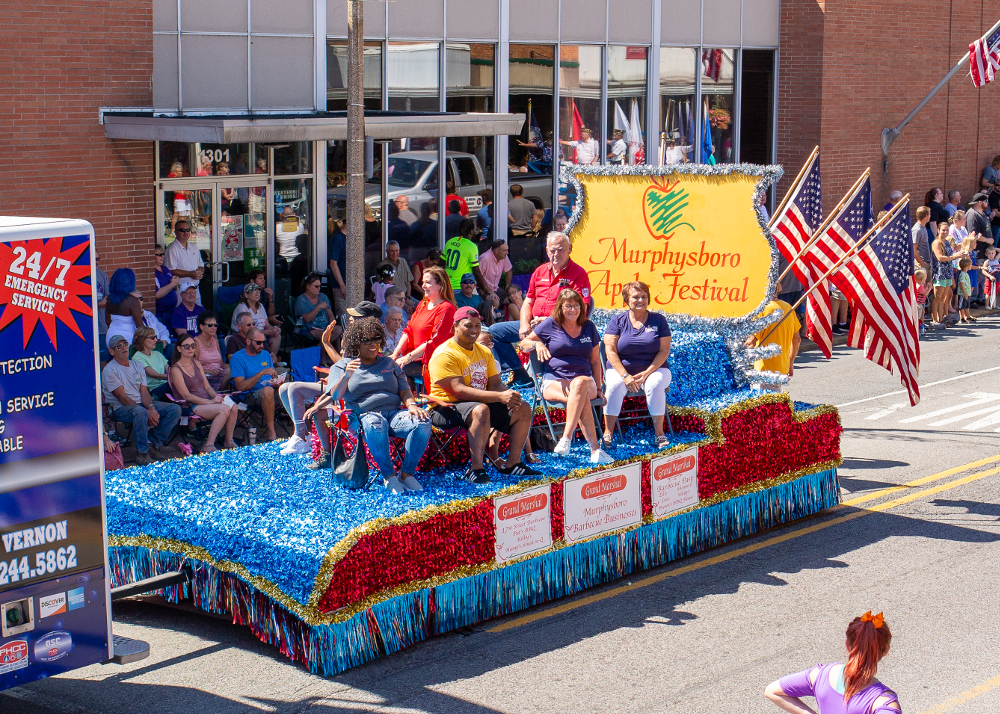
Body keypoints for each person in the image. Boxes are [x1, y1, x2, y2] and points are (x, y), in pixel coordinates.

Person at [309, 318, 433, 492]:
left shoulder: (389, 363)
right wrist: (346, 375)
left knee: (422, 421)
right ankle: (389, 476)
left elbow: (404, 390)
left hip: (394, 414)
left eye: (376, 339)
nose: (373, 344)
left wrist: (411, 405)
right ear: (355, 343)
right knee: (374, 423)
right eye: (367, 340)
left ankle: (406, 474)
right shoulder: (343, 365)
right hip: (362, 417)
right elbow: (336, 395)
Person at [427, 307, 541, 482]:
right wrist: (498, 397)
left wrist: (509, 394)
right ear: (455, 326)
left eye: (477, 325)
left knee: (523, 407)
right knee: (480, 410)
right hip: (445, 407)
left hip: (479, 402)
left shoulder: (484, 351)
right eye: (468, 325)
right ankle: (476, 469)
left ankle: (513, 464)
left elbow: (495, 385)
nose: (474, 330)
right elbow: (458, 391)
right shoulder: (445, 354)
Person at [520, 290, 613, 464]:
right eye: (568, 306)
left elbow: (595, 362)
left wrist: (599, 389)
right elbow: (523, 344)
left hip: (586, 380)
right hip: (554, 380)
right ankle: (595, 450)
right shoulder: (550, 324)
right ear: (560, 307)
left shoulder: (589, 327)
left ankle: (566, 438)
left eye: (576, 305)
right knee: (579, 396)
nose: (573, 309)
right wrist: (537, 343)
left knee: (579, 385)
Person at [490, 232, 592, 386]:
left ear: (570, 249)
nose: (556, 254)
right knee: (495, 332)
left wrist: (548, 321)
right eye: (552, 250)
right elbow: (529, 301)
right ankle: (521, 375)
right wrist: (524, 324)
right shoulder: (540, 271)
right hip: (533, 324)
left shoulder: (579, 274)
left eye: (560, 249)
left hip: (559, 327)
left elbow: (581, 310)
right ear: (546, 251)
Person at [764, 612, 899, 714]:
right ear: (886, 651)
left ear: (847, 646)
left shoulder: (821, 675)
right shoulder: (883, 702)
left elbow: (772, 691)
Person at [601, 282, 673, 450]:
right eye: (635, 297)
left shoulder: (659, 320)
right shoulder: (617, 321)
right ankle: (608, 432)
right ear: (626, 299)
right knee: (613, 385)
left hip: (655, 368)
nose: (641, 300)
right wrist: (625, 375)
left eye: (644, 297)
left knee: (655, 384)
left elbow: (664, 351)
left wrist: (647, 373)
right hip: (620, 368)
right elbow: (610, 350)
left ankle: (659, 433)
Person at [102, 334, 181, 466]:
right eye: (118, 346)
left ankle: (153, 445)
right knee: (140, 412)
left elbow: (144, 391)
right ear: (111, 351)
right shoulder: (109, 369)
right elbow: (122, 397)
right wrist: (146, 410)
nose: (123, 347)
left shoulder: (137, 365)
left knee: (174, 409)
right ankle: (142, 453)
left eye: (125, 344)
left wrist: (151, 408)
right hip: (119, 408)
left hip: (140, 405)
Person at [169, 334, 240, 453]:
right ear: (179, 348)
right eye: (186, 346)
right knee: (223, 410)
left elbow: (207, 386)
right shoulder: (176, 369)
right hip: (190, 405)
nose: (190, 349)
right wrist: (210, 401)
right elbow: (186, 396)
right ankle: (208, 445)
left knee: (233, 406)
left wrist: (215, 396)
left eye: (193, 345)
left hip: (205, 401)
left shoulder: (196, 363)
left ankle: (228, 440)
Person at [390, 266, 457, 387]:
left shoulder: (446, 308)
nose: (423, 286)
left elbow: (434, 341)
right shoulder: (423, 304)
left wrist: (408, 358)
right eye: (423, 282)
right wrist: (396, 352)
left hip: (434, 363)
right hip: (417, 360)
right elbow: (408, 330)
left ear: (440, 285)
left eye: (427, 282)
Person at [229, 327, 280, 442]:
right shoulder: (237, 358)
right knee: (268, 391)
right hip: (249, 394)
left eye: (263, 342)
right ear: (248, 341)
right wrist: (261, 373)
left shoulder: (266, 354)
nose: (262, 345)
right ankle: (271, 431)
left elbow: (272, 376)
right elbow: (241, 386)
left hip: (270, 389)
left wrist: (277, 381)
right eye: (258, 342)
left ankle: (301, 431)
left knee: (291, 388)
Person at [748, 282, 801, 388]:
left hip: (764, 368)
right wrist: (791, 362)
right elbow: (797, 339)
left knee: (762, 403)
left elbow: (751, 343)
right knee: (774, 402)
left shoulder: (761, 310)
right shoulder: (788, 308)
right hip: (782, 366)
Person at [444, 218, 493, 299]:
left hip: (447, 285)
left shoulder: (450, 242)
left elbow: (441, 264)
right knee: (477, 306)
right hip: (461, 286)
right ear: (471, 231)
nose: (476, 232)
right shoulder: (471, 246)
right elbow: (476, 271)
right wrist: (486, 289)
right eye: (475, 230)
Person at [231, 283, 280, 360]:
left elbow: (266, 324)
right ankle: (260, 360)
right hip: (245, 335)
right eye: (254, 292)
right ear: (246, 295)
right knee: (257, 339)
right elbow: (248, 330)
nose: (258, 294)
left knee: (276, 335)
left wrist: (273, 329)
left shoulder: (260, 306)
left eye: (258, 292)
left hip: (261, 334)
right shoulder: (242, 308)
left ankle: (270, 360)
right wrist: (268, 332)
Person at [164, 219, 204, 305]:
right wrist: (190, 274)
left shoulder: (194, 247)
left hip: (196, 290)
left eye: (188, 230)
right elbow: (171, 270)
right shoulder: (172, 249)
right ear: (175, 232)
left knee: (198, 315)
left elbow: (201, 264)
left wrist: (200, 272)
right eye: (182, 230)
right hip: (182, 291)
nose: (185, 232)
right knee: (183, 316)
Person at [930, 230, 965, 327]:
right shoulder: (936, 243)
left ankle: (941, 319)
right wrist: (954, 256)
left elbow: (951, 255)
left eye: (947, 230)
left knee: (943, 298)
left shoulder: (946, 242)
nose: (945, 232)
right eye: (943, 230)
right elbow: (940, 258)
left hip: (948, 273)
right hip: (940, 273)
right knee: (937, 298)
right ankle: (935, 320)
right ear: (938, 230)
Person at [105, 268, 143, 346]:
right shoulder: (132, 301)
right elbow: (140, 327)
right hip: (127, 338)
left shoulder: (109, 299)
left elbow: (108, 321)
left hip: (111, 336)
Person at [131, 327, 170, 399]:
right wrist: (175, 378)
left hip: (166, 385)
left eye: (155, 337)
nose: (155, 340)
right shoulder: (137, 357)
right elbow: (156, 375)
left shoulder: (158, 354)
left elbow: (169, 370)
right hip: (153, 390)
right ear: (142, 340)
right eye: (152, 338)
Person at [194, 311, 229, 391]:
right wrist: (209, 371)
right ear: (201, 327)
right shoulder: (195, 343)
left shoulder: (215, 341)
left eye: (215, 325)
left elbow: (221, 363)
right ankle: (219, 393)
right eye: (210, 325)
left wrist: (233, 366)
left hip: (219, 374)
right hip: (205, 377)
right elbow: (193, 367)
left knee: (236, 369)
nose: (214, 328)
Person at [295, 272, 335, 340]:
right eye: (316, 286)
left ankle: (336, 350)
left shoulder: (323, 297)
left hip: (325, 327)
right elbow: (306, 319)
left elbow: (330, 315)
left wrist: (331, 326)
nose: (318, 288)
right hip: (309, 329)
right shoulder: (301, 300)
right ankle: (322, 350)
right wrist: (318, 307)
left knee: (339, 330)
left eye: (320, 286)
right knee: (326, 336)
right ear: (308, 286)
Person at [153, 244, 179, 325]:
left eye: (163, 254)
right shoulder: (153, 273)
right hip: (161, 314)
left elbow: (174, 286)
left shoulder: (165, 268)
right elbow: (156, 294)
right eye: (159, 255)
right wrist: (172, 284)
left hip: (172, 311)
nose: (162, 256)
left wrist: (175, 284)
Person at [966, 192, 995, 259]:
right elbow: (972, 234)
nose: (988, 203)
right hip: (978, 254)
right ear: (980, 202)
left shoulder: (982, 213)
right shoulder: (972, 215)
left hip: (985, 253)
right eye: (986, 201)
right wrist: (987, 240)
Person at [327, 217, 347, 308]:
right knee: (343, 315)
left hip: (353, 284)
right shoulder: (337, 238)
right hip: (340, 286)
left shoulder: (355, 238)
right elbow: (333, 263)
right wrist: (342, 285)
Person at [910, 206, 932, 271]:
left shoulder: (923, 227)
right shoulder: (917, 230)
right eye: (929, 214)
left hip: (926, 262)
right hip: (920, 265)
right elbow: (913, 249)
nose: (930, 216)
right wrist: (921, 263)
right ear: (926, 215)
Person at [957, 257, 975, 324]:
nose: (971, 266)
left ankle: (968, 316)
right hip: (963, 293)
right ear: (967, 266)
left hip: (967, 293)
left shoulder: (966, 274)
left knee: (967, 305)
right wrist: (964, 293)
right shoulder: (962, 274)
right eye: (970, 265)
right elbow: (961, 283)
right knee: (962, 306)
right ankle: (961, 318)